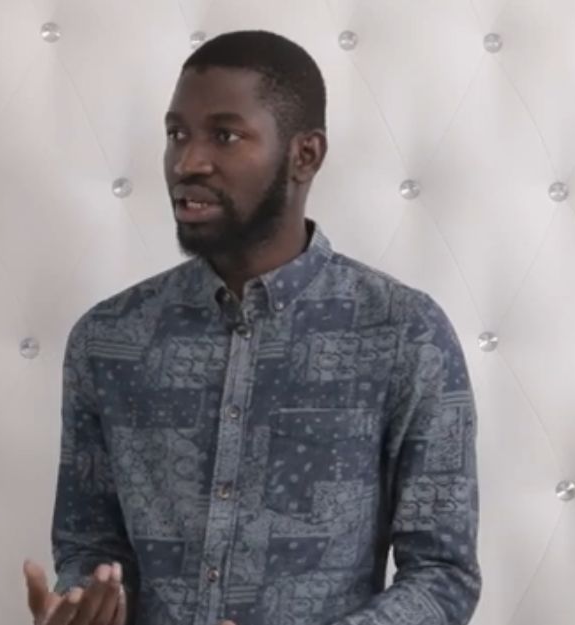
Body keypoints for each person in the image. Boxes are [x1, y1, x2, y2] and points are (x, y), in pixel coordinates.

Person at [24, 29, 481, 625]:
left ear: (304, 155)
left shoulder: (405, 334)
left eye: (225, 135)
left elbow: (443, 576)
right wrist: (87, 604)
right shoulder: (108, 340)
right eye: (177, 134)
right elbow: (89, 546)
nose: (187, 163)